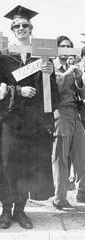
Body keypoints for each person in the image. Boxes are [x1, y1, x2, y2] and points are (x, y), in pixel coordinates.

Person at [0, 5, 60, 229]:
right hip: (10, 121)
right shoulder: (3, 56)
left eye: (25, 25)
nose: (21, 28)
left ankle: (20, 210)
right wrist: (18, 90)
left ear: (31, 29)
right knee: (7, 165)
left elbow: (49, 91)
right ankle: (5, 211)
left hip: (32, 122)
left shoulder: (41, 56)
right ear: (12, 30)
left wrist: (49, 74)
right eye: (17, 26)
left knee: (25, 166)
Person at [52, 36, 85, 210]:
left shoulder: (72, 68)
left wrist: (79, 79)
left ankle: (82, 193)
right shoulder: (51, 66)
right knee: (61, 159)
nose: (66, 49)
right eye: (62, 46)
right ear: (56, 49)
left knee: (81, 154)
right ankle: (59, 198)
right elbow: (54, 89)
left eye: (69, 47)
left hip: (75, 113)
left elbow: (83, 94)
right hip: (60, 113)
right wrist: (66, 74)